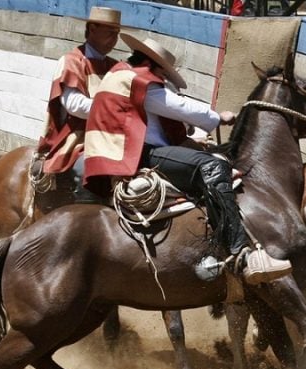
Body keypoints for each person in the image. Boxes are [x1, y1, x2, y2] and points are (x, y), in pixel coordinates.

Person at [83, 34, 292, 285]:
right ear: (153, 65)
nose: (162, 80)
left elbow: (151, 123)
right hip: (139, 155)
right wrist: (217, 117)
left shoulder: (121, 75)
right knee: (213, 165)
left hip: (123, 154)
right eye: (163, 74)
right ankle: (240, 251)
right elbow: (177, 106)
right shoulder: (141, 81)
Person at [37, 7, 122, 175]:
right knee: (88, 167)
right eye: (110, 33)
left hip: (108, 132)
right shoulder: (72, 61)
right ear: (92, 29)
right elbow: (75, 105)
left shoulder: (115, 66)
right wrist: (113, 109)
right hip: (76, 135)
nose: (114, 39)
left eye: (117, 34)